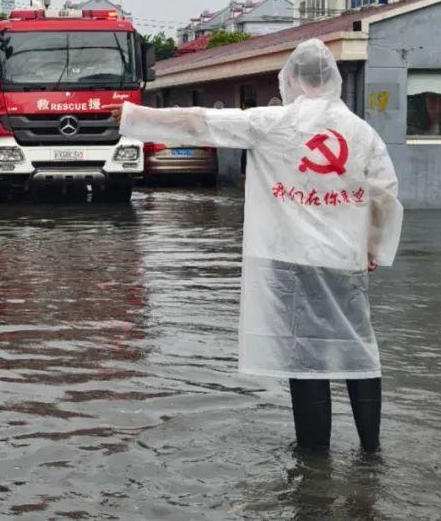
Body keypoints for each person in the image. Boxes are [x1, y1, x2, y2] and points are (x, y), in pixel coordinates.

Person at [114, 39, 403, 453]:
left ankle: (314, 457)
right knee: (358, 346)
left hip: (294, 262)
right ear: (332, 79)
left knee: (307, 357)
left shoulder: (275, 123)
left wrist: (132, 117)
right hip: (346, 260)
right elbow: (384, 194)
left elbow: (203, 122)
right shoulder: (362, 132)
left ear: (295, 78)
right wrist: (373, 247)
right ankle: (371, 451)